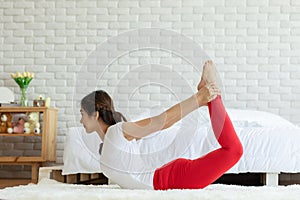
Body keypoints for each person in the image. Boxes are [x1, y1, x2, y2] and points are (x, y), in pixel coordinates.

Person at [80, 60, 243, 190]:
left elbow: (161, 121)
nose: (81, 121)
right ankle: (209, 96)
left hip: (171, 178)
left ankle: (212, 97)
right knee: (233, 151)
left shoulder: (117, 132)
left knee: (234, 150)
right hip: (168, 178)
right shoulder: (110, 143)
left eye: (82, 114)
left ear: (95, 115)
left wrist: (199, 98)